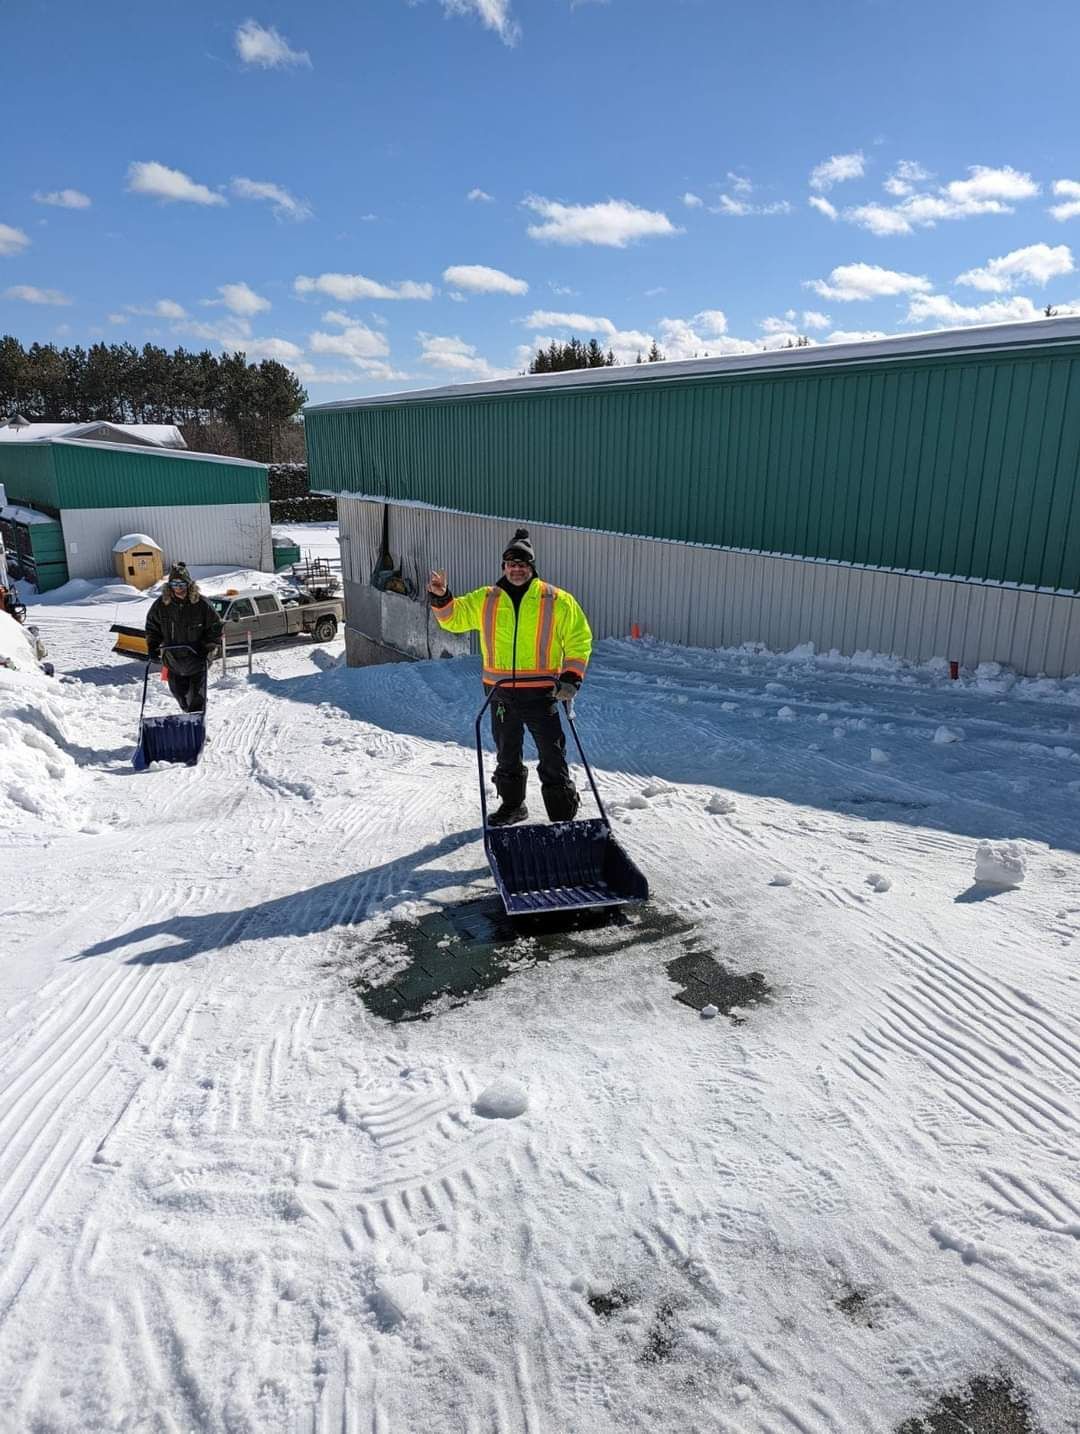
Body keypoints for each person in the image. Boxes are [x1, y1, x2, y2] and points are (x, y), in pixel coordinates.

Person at [428, 527, 592, 826]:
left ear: (531, 567)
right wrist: (441, 598)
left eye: (522, 564)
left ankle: (562, 815)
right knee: (507, 754)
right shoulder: (486, 598)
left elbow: (579, 639)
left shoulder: (556, 599)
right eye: (511, 564)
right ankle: (513, 806)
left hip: (542, 693)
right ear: (504, 567)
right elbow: (454, 619)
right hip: (500, 693)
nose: (517, 570)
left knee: (552, 755)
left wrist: (571, 676)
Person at [144, 563, 223, 714]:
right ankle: (188, 718)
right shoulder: (161, 605)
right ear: (170, 586)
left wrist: (208, 646)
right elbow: (152, 627)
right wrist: (152, 646)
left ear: (188, 584)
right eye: (174, 584)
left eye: (182, 584)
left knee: (197, 700)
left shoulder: (201, 604)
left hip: (197, 659)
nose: (178, 588)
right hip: (173, 661)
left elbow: (215, 627)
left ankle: (197, 729)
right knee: (180, 697)